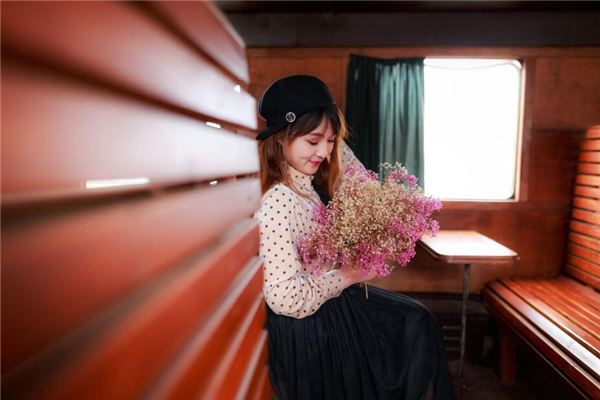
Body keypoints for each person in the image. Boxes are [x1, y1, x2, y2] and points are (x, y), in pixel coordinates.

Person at [253, 75, 456, 400]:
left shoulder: (306, 189)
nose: (324, 151)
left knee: (417, 322)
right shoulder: (279, 200)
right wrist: (348, 275)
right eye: (313, 141)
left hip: (325, 309)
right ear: (280, 139)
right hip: (306, 332)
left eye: (330, 141)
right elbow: (284, 298)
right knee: (411, 328)